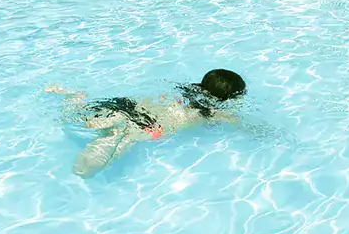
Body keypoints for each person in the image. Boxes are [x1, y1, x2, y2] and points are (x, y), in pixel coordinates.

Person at [50, 68, 248, 178]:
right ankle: (115, 127)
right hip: (142, 125)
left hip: (124, 105)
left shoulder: (181, 89)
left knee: (75, 117)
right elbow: (240, 124)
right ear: (227, 98)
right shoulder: (210, 113)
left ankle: (75, 96)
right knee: (85, 170)